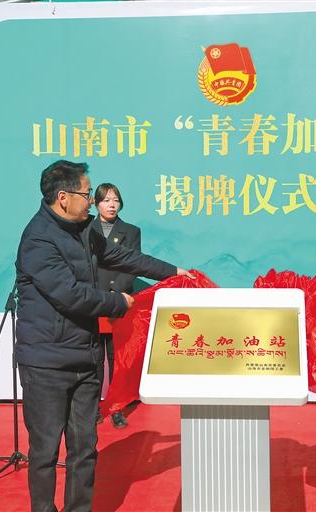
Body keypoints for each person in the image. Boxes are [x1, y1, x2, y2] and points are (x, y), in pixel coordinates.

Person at [15, 160, 191, 512]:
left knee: (84, 449)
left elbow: (122, 256)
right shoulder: (38, 239)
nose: (93, 202)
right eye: (87, 194)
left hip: (86, 358)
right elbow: (69, 295)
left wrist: (173, 273)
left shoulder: (86, 230)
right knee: (45, 451)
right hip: (47, 364)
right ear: (63, 197)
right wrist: (118, 303)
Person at [91, 182, 139, 429]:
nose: (111, 205)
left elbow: (132, 266)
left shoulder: (131, 231)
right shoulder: (85, 229)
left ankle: (117, 407)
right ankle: (94, 408)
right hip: (92, 302)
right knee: (94, 358)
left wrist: (115, 295)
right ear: (96, 203)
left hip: (118, 302)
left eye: (115, 200)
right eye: (106, 200)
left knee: (116, 358)